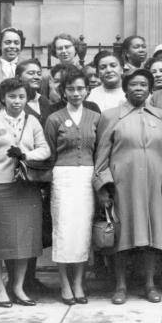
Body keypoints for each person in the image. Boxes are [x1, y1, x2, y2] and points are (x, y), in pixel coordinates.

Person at [93, 69, 162, 305]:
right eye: (134, 85)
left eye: (144, 85)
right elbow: (101, 158)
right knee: (122, 236)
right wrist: (104, 188)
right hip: (122, 185)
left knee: (152, 234)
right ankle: (120, 286)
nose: (139, 88)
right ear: (126, 89)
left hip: (154, 185)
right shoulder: (111, 116)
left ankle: (149, 284)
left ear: (150, 89)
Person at [0, 76, 51, 308]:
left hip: (26, 188)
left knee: (24, 240)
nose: (17, 101)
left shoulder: (33, 122)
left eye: (21, 96)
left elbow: (45, 150)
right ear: (2, 97)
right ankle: (0, 287)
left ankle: (18, 286)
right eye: (12, 96)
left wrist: (25, 155)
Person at [44, 67, 99, 305]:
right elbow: (48, 153)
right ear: (63, 91)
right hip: (63, 178)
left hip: (87, 178)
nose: (76, 93)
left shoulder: (95, 117)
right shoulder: (54, 119)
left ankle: (79, 282)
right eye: (71, 89)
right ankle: (64, 283)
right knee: (64, 230)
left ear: (87, 90)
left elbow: (100, 151)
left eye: (80, 88)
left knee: (82, 230)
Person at [44, 33, 81, 103]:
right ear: (55, 52)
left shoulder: (83, 72)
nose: (64, 51)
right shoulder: (47, 76)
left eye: (67, 47)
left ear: (75, 49)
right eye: (60, 48)